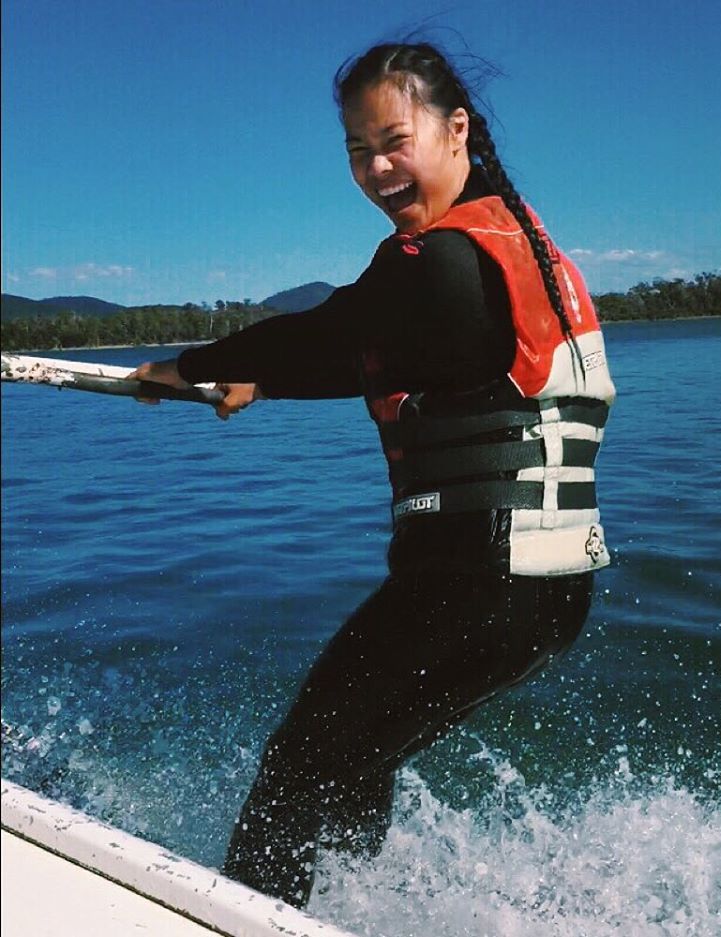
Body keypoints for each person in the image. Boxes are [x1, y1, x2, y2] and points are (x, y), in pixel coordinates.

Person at [130, 41, 616, 908]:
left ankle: (245, 921)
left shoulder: (440, 259)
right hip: (553, 591)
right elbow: (385, 355)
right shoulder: (515, 247)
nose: (377, 168)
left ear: (456, 129)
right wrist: (260, 379)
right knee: (355, 756)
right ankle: (351, 911)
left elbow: (333, 330)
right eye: (358, 150)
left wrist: (189, 364)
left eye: (395, 141)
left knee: (298, 764)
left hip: (477, 579)